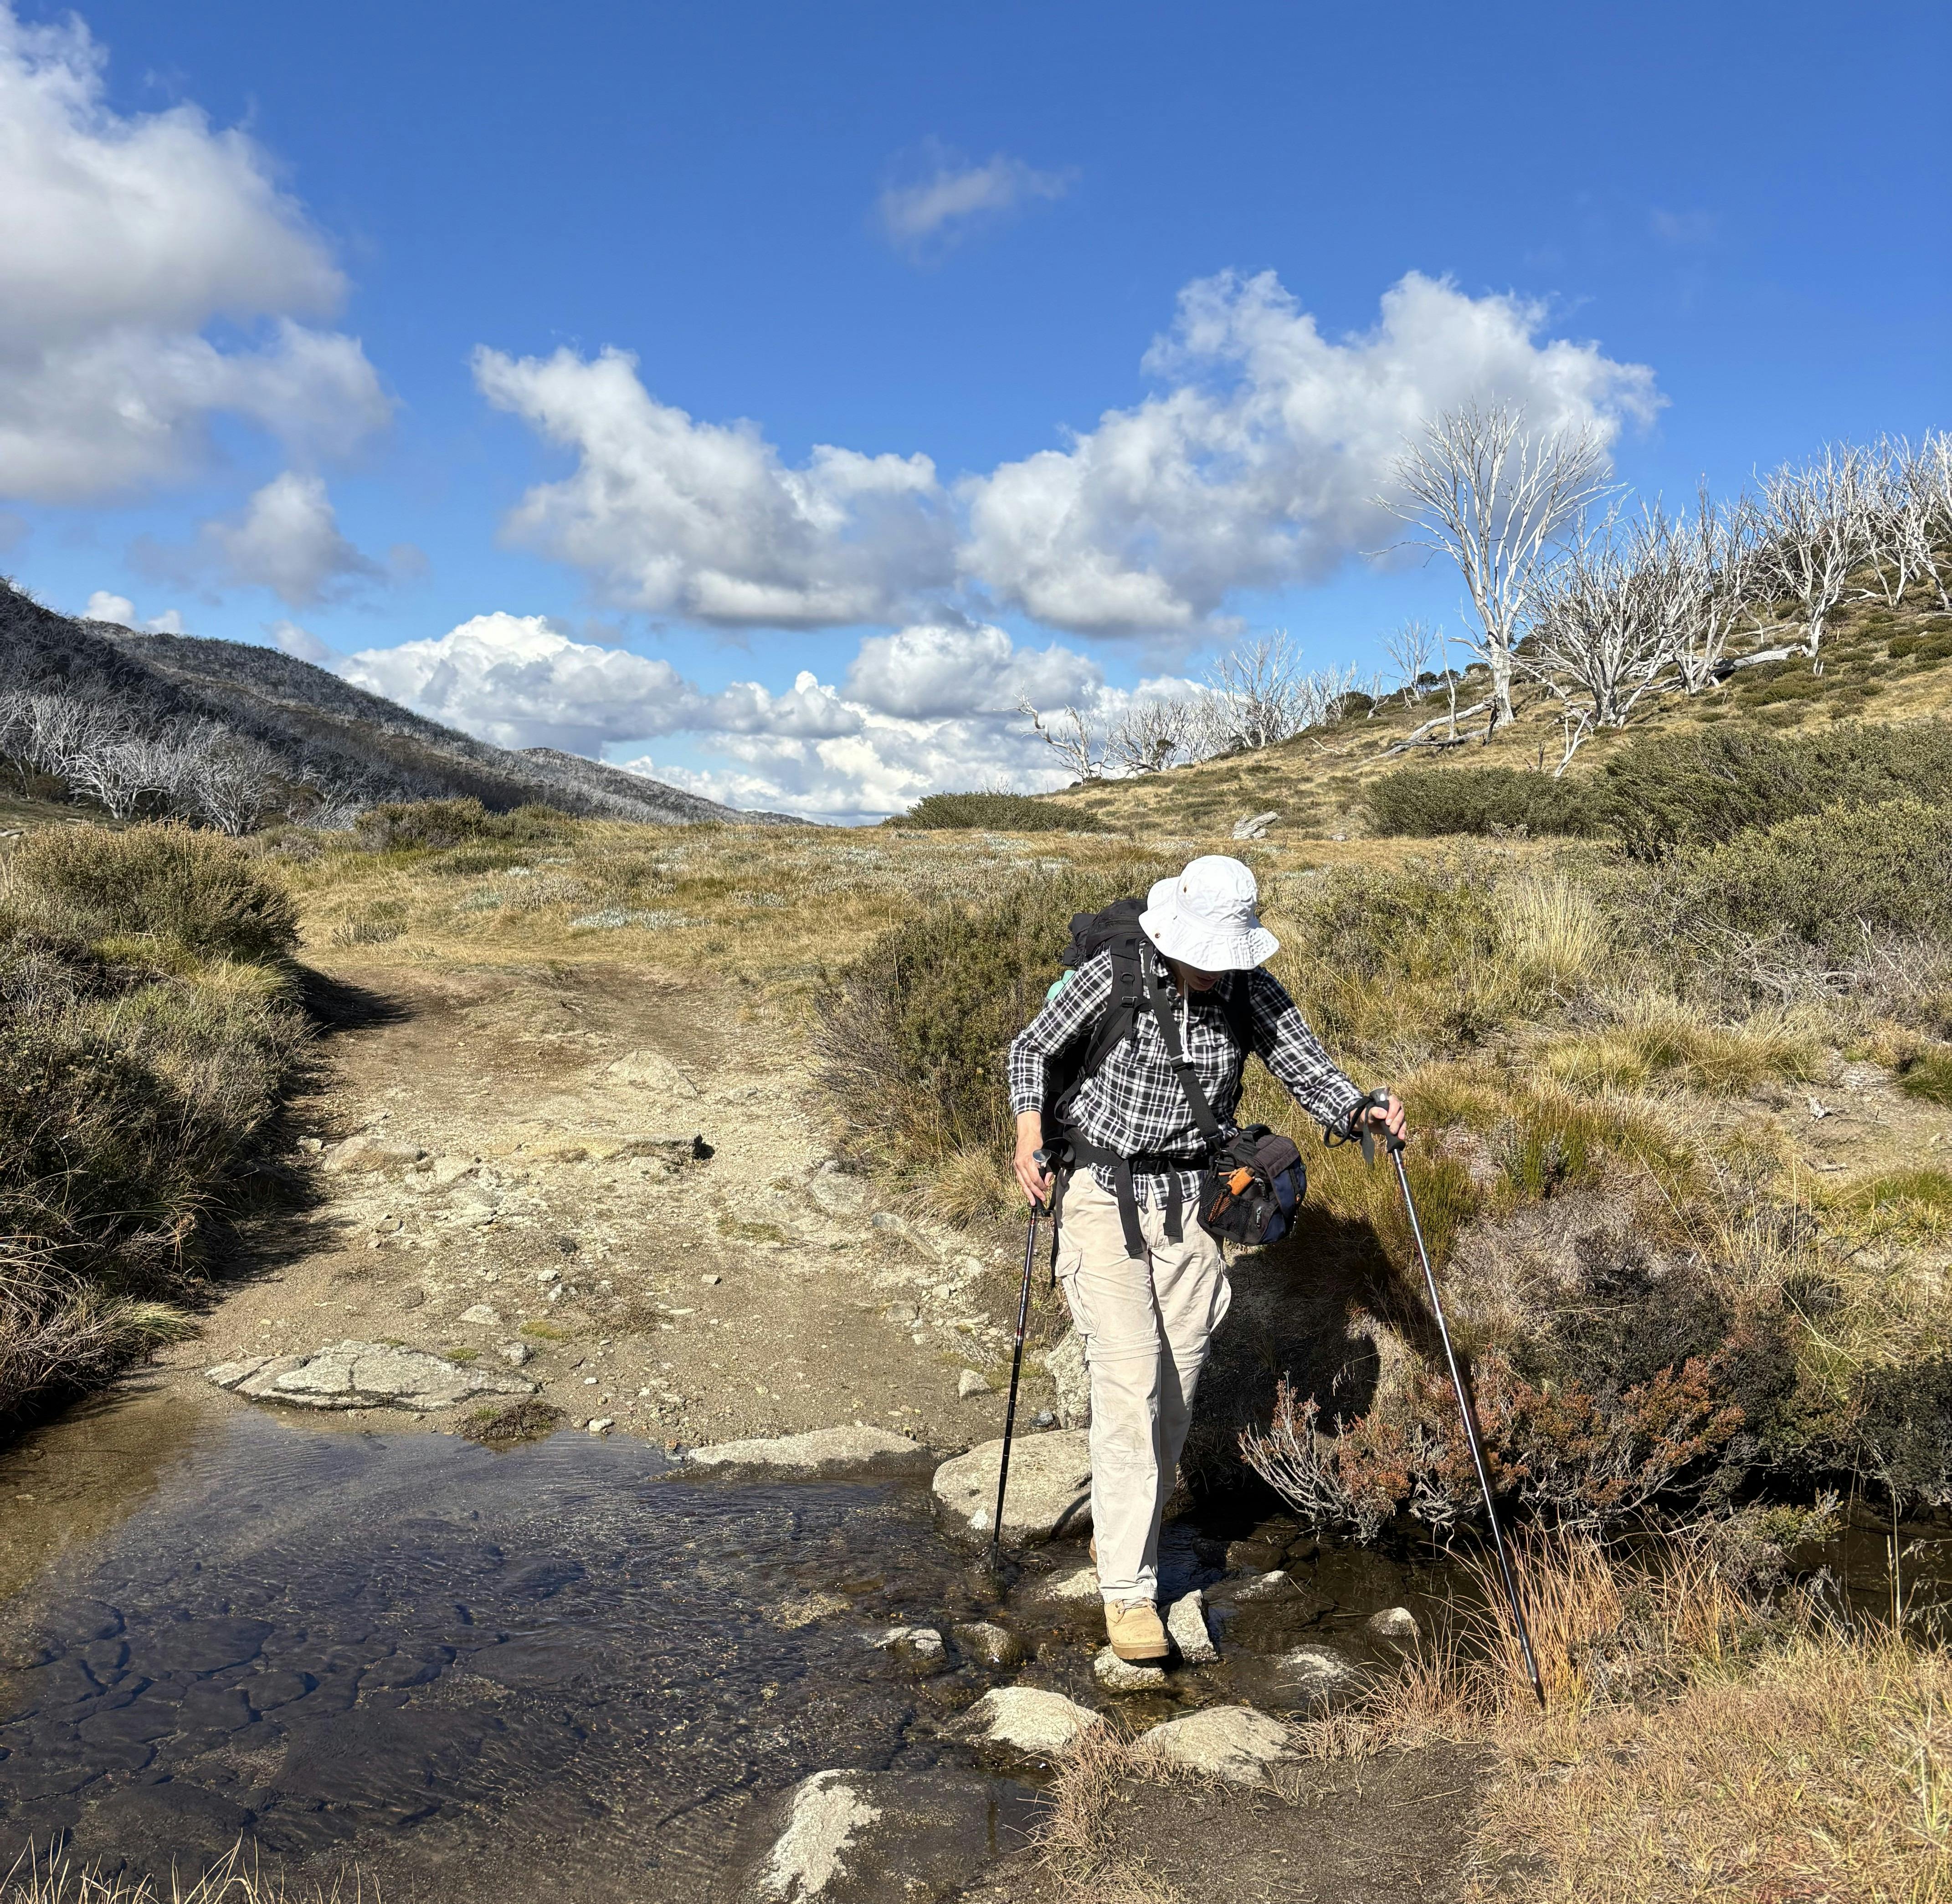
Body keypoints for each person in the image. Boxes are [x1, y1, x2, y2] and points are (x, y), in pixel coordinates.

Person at [1006, 855, 1404, 1663]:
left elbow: (1307, 1065)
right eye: (1207, 955)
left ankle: (1125, 1529)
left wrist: (1362, 1110)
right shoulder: (1117, 973)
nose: (1216, 970)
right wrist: (1026, 1137)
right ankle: (1127, 1594)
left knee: (1177, 1389)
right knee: (1128, 1384)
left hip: (1193, 1209)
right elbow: (1030, 1051)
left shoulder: (1249, 990)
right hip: (1099, 1196)